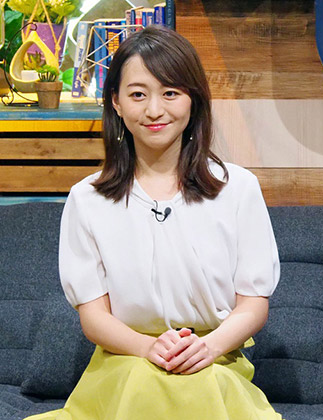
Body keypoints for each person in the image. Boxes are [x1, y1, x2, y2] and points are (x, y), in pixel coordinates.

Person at [26, 26, 282, 420]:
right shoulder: (87, 199)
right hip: (124, 362)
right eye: (138, 95)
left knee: (203, 385)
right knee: (143, 383)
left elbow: (253, 306)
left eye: (170, 93)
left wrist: (208, 347)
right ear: (116, 102)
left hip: (214, 361)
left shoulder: (238, 189)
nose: (154, 110)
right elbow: (93, 317)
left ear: (194, 100)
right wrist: (147, 348)